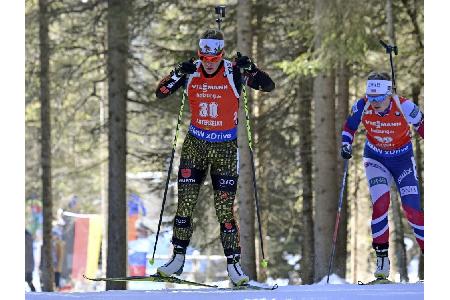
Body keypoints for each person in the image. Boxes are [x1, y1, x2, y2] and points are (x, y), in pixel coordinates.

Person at [155, 29, 275, 286]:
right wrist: (177, 72)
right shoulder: (192, 70)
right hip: (195, 145)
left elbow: (268, 86)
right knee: (185, 204)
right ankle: (177, 258)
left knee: (224, 210)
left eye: (214, 56)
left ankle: (234, 265)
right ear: (200, 53)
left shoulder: (233, 71)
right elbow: (161, 92)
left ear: (221, 53)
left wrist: (251, 68)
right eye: (205, 56)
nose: (209, 61)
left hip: (225, 148)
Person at [340, 71, 424, 280]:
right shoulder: (362, 105)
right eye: (371, 96)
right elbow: (349, 127)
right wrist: (345, 144)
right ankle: (382, 260)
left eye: (378, 97)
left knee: (412, 209)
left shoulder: (404, 106)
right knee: (380, 204)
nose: (374, 102)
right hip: (376, 159)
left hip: (403, 160)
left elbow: (423, 126)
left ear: (388, 93)